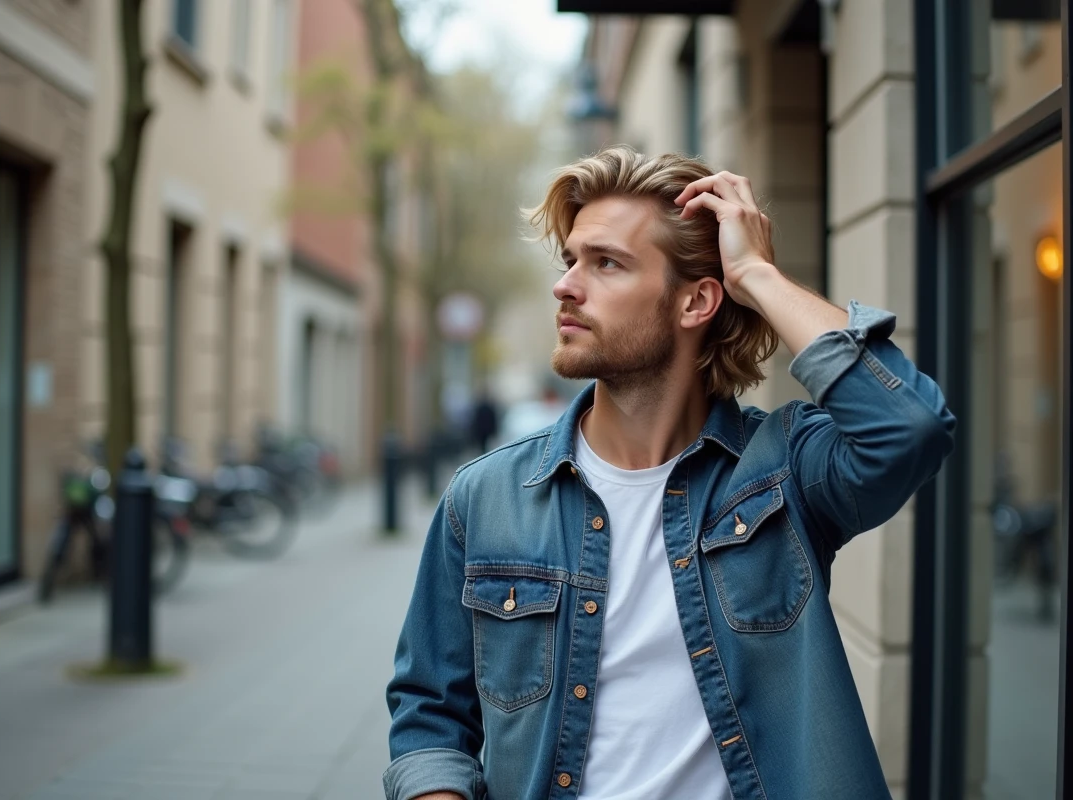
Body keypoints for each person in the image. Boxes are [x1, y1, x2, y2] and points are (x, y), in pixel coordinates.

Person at [383, 146, 955, 800]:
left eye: (607, 264)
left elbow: (908, 426)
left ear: (696, 303)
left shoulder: (783, 473)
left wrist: (759, 275)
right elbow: (430, 716)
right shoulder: (485, 499)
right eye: (572, 260)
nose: (565, 285)